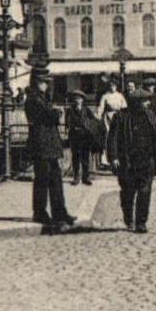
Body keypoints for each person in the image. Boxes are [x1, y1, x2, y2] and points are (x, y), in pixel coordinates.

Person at [106, 88, 156, 232]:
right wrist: (113, 157)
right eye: (145, 101)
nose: (148, 104)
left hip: (146, 161)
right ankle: (128, 218)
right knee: (128, 192)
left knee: (145, 192)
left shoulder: (149, 115)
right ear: (136, 103)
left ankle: (141, 223)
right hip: (127, 162)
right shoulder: (121, 117)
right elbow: (112, 138)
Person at [25, 76, 73, 233]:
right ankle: (39, 212)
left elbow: (52, 115)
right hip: (41, 145)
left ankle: (59, 212)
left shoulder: (42, 98)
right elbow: (50, 116)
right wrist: (55, 113)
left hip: (49, 145)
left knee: (56, 179)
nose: (46, 85)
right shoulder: (33, 99)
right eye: (44, 82)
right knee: (42, 180)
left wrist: (54, 113)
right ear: (37, 83)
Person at [65, 91, 96, 186]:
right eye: (76, 99)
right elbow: (67, 122)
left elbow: (93, 120)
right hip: (74, 136)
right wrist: (72, 127)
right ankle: (76, 177)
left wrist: (89, 128)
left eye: (79, 99)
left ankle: (86, 177)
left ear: (82, 100)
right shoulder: (70, 110)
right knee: (75, 157)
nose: (77, 100)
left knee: (85, 157)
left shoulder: (86, 110)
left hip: (85, 136)